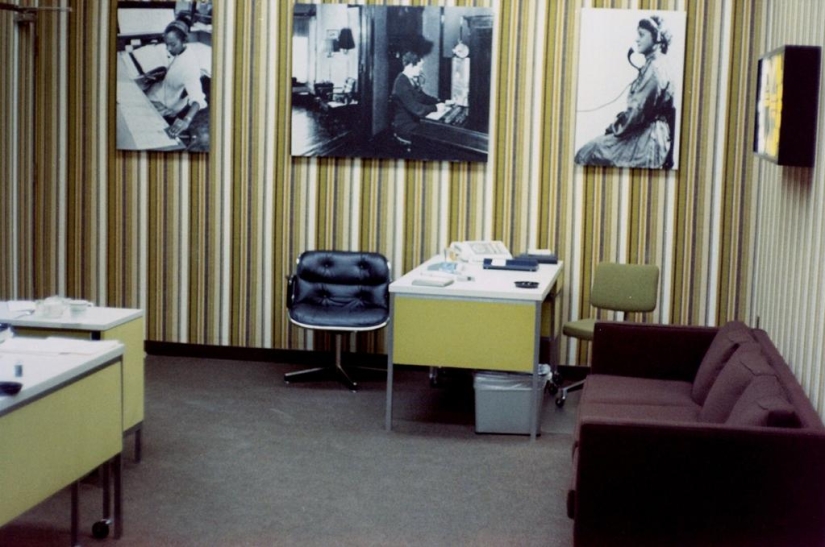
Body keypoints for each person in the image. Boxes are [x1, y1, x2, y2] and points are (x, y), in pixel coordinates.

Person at [574, 15, 676, 169]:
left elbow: (636, 113)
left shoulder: (654, 70)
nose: (637, 39)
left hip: (647, 141)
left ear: (656, 38)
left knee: (586, 153)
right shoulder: (660, 64)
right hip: (652, 136)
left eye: (641, 35)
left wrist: (614, 128)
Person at [136, 14, 207, 140]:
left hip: (164, 104)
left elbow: (197, 99)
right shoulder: (177, 52)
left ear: (184, 41)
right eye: (166, 44)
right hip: (157, 92)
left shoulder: (190, 66)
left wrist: (187, 120)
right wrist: (156, 75)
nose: (168, 49)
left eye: (172, 44)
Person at [391, 51, 452, 142]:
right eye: (420, 66)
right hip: (405, 126)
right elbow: (417, 109)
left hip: (415, 121)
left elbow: (424, 97)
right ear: (410, 65)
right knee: (436, 137)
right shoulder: (401, 82)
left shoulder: (411, 80)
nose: (421, 69)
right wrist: (436, 108)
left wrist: (441, 101)